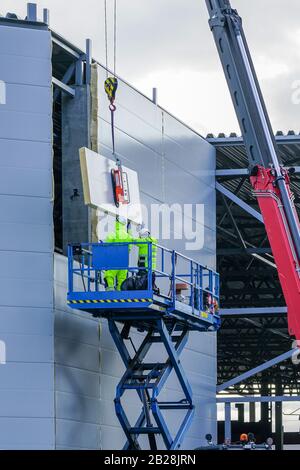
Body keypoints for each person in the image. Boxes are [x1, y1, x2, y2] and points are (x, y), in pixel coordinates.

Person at [103, 217, 132, 291]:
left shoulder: (114, 234)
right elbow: (129, 248)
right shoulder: (128, 236)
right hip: (124, 261)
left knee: (109, 275)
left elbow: (106, 245)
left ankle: (110, 290)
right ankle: (120, 293)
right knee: (122, 278)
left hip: (114, 259)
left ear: (117, 223)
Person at [135, 227, 158, 292]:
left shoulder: (145, 242)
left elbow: (135, 241)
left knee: (142, 282)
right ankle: (153, 287)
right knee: (150, 279)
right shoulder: (153, 241)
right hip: (151, 267)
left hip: (144, 265)